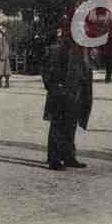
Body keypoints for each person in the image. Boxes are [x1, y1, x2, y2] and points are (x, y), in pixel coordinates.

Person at [42, 28, 94, 171]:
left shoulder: (84, 48)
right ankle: (54, 159)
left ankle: (69, 156)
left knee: (71, 125)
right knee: (58, 125)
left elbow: (86, 70)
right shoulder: (57, 48)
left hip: (78, 92)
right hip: (61, 92)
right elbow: (46, 71)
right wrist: (54, 87)